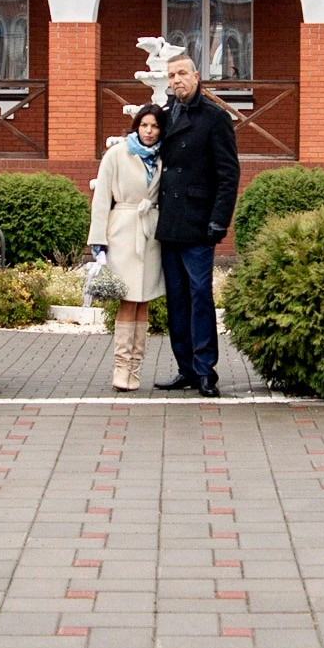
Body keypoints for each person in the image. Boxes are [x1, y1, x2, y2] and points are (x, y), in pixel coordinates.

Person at [151, 51, 239, 396]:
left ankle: (205, 371)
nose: (176, 81)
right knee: (176, 299)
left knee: (200, 296)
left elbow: (228, 174)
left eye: (182, 74)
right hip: (170, 223)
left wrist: (220, 220)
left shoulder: (215, 118)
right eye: (171, 76)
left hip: (200, 223)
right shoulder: (164, 116)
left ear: (197, 75)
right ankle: (185, 368)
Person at [87, 104, 165, 392]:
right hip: (122, 231)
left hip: (150, 234)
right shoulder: (117, 154)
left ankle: (135, 368)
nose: (148, 131)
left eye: (154, 126)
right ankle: (121, 367)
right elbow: (101, 198)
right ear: (136, 126)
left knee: (143, 300)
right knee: (127, 299)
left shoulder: (162, 157)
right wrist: (99, 243)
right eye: (144, 125)